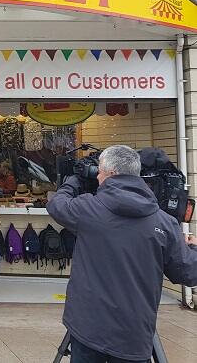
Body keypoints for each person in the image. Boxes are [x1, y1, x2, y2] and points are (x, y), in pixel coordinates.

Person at [47, 145, 197, 362]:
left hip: (88, 327)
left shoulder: (89, 210)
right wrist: (191, 248)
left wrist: (74, 180)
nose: (97, 176)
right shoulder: (164, 222)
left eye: (99, 171)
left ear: (111, 173)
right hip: (135, 333)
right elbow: (188, 271)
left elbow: (57, 204)